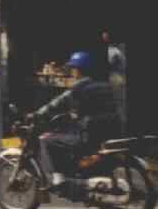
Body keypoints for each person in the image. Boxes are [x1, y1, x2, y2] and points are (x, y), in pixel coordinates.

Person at [34, 51, 117, 194]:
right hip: (108, 132)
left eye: (73, 69)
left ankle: (59, 180)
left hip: (88, 134)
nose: (72, 72)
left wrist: (37, 114)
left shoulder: (79, 87)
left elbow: (57, 103)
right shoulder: (104, 85)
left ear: (78, 70)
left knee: (47, 140)